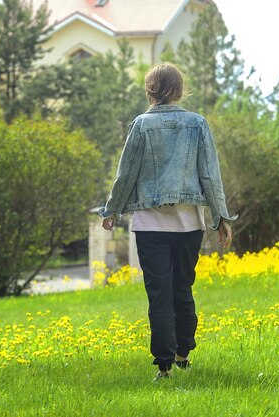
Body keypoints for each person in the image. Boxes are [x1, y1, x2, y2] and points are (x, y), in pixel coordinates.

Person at [98, 63, 237, 381]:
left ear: (149, 91)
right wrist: (221, 218)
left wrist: (113, 209)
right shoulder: (197, 123)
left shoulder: (140, 124)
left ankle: (163, 365)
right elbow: (209, 175)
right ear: (179, 90)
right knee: (183, 289)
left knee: (158, 293)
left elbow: (126, 173)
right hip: (190, 225)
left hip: (149, 227)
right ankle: (183, 353)